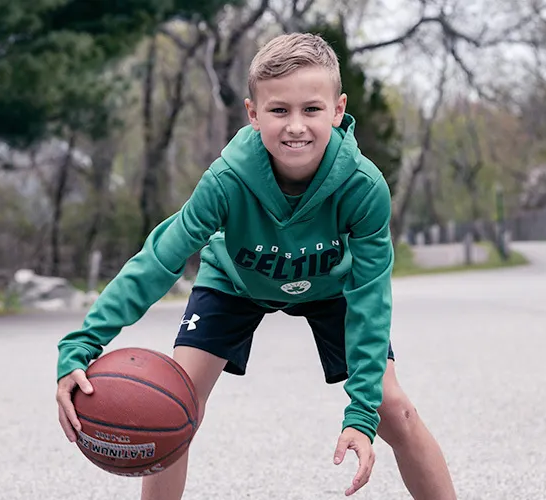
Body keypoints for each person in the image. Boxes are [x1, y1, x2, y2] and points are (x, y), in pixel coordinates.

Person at [55, 32, 457, 499]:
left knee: (396, 411)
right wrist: (82, 344)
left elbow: (370, 299)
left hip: (331, 288)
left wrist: (362, 414)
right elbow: (158, 260)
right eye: (278, 110)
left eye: (311, 109)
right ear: (253, 113)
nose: (295, 126)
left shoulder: (363, 186)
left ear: (338, 109)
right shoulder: (227, 180)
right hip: (235, 281)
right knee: (174, 405)